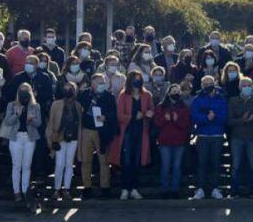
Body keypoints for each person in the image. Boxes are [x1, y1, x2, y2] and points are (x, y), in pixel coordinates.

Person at [110, 71, 153, 200]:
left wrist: (148, 113)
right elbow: (120, 115)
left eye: (139, 79)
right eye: (135, 79)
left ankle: (134, 188)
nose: (137, 81)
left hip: (141, 131)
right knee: (126, 161)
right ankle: (125, 189)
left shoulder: (147, 95)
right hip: (127, 131)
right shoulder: (124, 95)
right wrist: (133, 116)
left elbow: (152, 109)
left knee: (136, 160)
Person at [1, 82, 42, 208]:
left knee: (26, 165)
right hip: (16, 137)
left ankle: (25, 191)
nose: (24, 93)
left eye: (27, 91)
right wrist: (17, 114)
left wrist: (31, 120)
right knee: (16, 165)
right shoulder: (12, 105)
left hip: (29, 137)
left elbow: (39, 123)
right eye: (22, 91)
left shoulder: (35, 106)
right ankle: (16, 191)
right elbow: (8, 121)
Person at [78, 73, 119, 198]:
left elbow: (114, 113)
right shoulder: (85, 94)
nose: (102, 85)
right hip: (87, 130)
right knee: (86, 160)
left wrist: (105, 117)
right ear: (93, 84)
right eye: (100, 83)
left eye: (103, 82)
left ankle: (105, 187)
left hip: (102, 131)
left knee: (104, 161)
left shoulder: (109, 96)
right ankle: (87, 187)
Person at [190, 74, 227, 200]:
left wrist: (214, 116)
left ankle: (215, 188)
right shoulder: (198, 99)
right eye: (205, 84)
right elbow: (194, 115)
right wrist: (206, 118)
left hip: (217, 134)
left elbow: (224, 115)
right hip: (202, 134)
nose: (208, 86)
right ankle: (200, 188)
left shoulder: (221, 98)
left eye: (210, 83)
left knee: (216, 162)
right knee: (202, 163)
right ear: (201, 86)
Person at [46, 83, 83, 200]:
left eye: (71, 89)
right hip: (59, 137)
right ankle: (56, 189)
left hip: (73, 138)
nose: (68, 91)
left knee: (69, 164)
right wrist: (51, 140)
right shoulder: (56, 104)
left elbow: (80, 124)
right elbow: (51, 123)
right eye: (66, 88)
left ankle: (66, 189)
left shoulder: (78, 105)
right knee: (59, 164)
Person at [227, 78, 253, 199]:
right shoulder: (233, 101)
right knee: (236, 164)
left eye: (249, 85)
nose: (246, 87)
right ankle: (234, 190)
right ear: (239, 87)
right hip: (237, 137)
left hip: (252, 137)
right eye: (244, 85)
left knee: (252, 164)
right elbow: (229, 121)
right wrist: (242, 119)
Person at [154, 83, 191, 199]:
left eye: (177, 91)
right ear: (168, 93)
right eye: (173, 91)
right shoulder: (161, 106)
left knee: (176, 166)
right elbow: (157, 123)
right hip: (165, 141)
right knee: (165, 166)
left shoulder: (184, 107)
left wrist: (176, 120)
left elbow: (186, 124)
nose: (175, 93)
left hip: (179, 141)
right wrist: (165, 119)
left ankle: (175, 189)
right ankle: (164, 189)